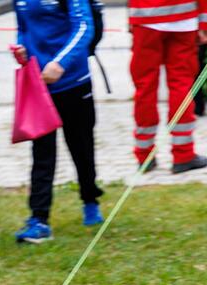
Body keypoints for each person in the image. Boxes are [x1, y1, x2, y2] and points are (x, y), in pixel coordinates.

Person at [12, 0, 105, 244]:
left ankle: (90, 200)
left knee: (81, 146)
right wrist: (21, 49)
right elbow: (23, 26)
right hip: (39, 84)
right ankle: (39, 219)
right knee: (41, 152)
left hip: (73, 81)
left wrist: (60, 63)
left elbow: (84, 27)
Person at [128, 0, 207, 173]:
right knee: (181, 85)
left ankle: (144, 155)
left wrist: (131, 19)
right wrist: (203, 23)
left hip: (145, 19)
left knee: (144, 88)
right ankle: (183, 154)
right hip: (183, 20)